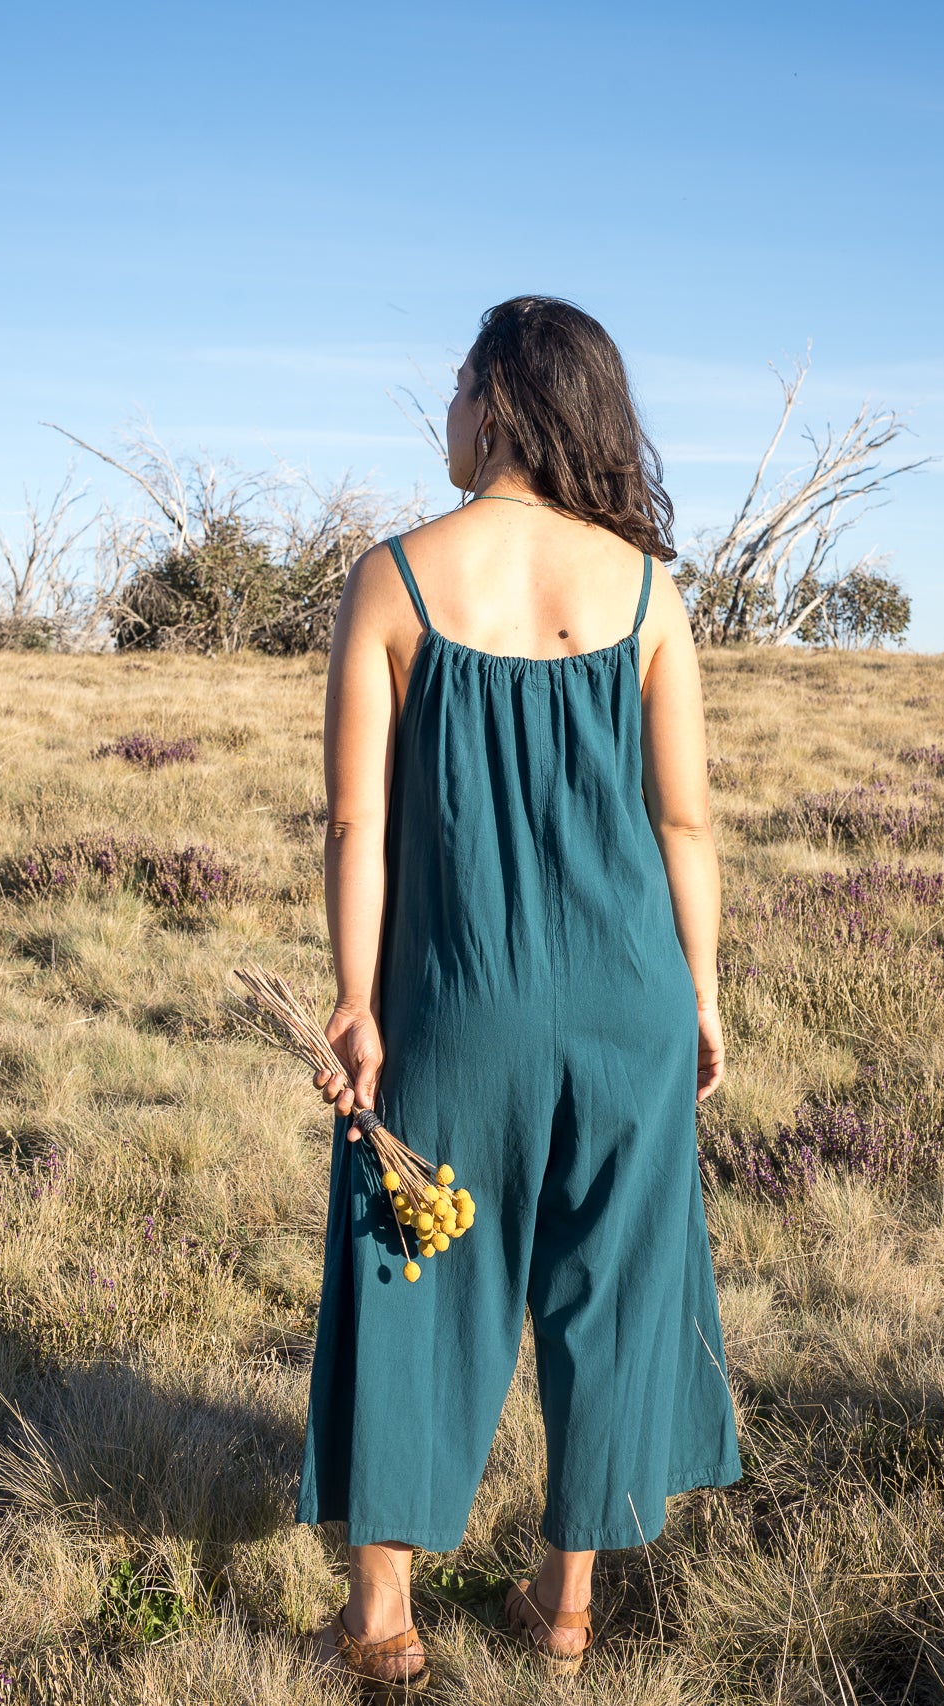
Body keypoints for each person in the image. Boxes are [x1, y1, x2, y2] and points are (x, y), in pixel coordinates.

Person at [301, 295, 743, 1693]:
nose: (442, 413)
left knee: (411, 1273)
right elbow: (685, 822)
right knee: (610, 1285)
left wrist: (356, 1000)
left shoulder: (394, 579)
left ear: (495, 401)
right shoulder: (646, 590)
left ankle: (383, 1619)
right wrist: (702, 994)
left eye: (453, 388)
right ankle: (566, 1602)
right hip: (630, 998)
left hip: (455, 999)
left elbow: (353, 823)